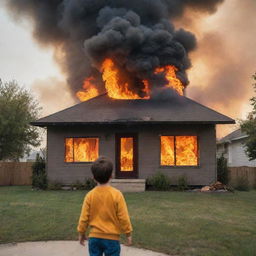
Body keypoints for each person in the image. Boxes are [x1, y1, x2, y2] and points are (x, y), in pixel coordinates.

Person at [77, 156, 133, 256]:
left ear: (93, 178)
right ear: (111, 176)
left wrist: (81, 233)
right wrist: (128, 233)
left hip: (94, 238)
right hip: (112, 240)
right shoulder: (117, 195)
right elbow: (123, 217)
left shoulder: (90, 196)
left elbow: (84, 218)